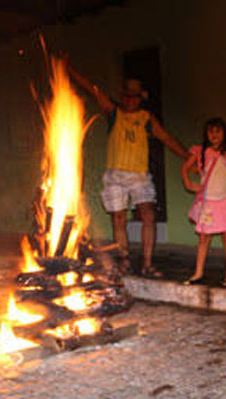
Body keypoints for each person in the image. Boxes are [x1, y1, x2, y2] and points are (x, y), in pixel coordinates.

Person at [65, 57, 189, 277]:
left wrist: (189, 157)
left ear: (139, 99)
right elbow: (93, 90)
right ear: (122, 97)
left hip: (139, 174)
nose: (130, 100)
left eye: (134, 97)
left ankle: (148, 264)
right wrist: (71, 71)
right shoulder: (114, 113)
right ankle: (124, 260)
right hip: (115, 174)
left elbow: (167, 139)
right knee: (118, 218)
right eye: (127, 96)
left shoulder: (146, 118)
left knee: (148, 215)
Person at [181, 117, 226, 287]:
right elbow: (184, 168)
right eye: (211, 131)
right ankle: (198, 273)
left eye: (218, 131)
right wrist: (189, 184)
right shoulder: (200, 150)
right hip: (209, 201)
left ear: (224, 133)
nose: (214, 135)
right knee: (204, 237)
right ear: (206, 134)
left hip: (225, 199)